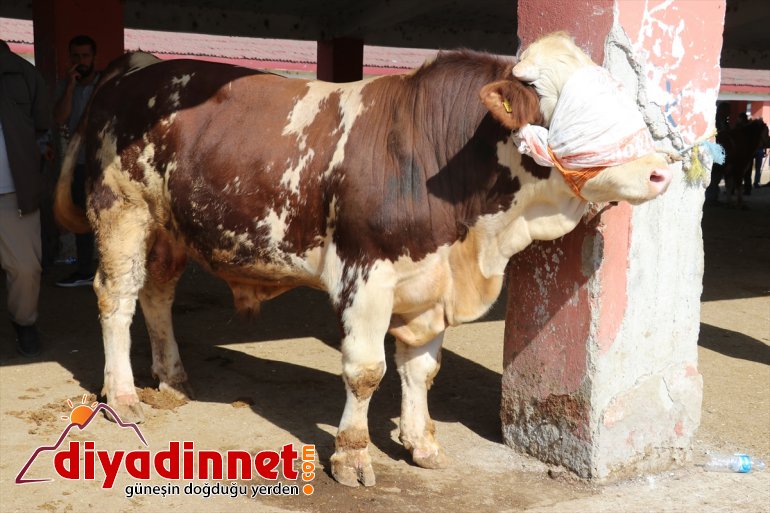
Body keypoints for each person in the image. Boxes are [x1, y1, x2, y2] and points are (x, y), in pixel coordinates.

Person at [0, 40, 51, 356]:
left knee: (26, 269)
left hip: (14, 193)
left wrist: (38, 158)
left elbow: (44, 127)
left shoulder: (23, 74)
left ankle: (25, 323)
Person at [54, 35, 99, 287]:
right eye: (76, 56)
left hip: (107, 163)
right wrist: (71, 87)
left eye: (85, 56)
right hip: (80, 163)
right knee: (82, 217)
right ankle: (84, 270)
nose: (81, 61)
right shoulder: (65, 86)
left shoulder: (106, 83)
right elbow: (60, 117)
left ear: (94, 58)